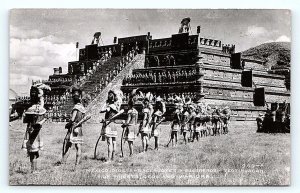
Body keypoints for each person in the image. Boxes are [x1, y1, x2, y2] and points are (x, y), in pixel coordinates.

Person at [22, 83, 49, 173]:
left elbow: (25, 120)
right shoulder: (39, 108)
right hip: (35, 132)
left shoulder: (29, 108)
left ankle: (33, 169)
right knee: (34, 152)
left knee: (33, 152)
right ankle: (34, 171)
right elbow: (42, 119)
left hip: (29, 130)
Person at [62, 89, 86, 166]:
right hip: (79, 128)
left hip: (73, 128)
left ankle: (63, 163)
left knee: (68, 145)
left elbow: (72, 119)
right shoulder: (82, 108)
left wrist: (68, 124)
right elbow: (83, 118)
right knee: (78, 146)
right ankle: (77, 164)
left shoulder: (76, 107)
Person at [99, 89, 123, 162]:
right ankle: (113, 158)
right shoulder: (116, 106)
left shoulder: (110, 106)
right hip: (114, 124)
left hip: (109, 124)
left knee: (109, 143)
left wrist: (105, 103)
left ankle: (109, 160)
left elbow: (101, 110)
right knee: (114, 142)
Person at [122, 91, 138, 156]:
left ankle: (131, 153)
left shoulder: (130, 111)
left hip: (130, 127)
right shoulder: (136, 111)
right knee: (132, 141)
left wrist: (124, 123)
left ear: (129, 105)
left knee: (129, 141)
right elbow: (136, 121)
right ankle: (132, 152)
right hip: (134, 126)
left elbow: (128, 120)